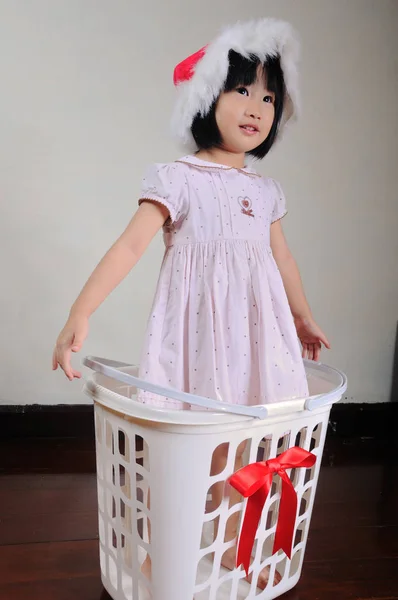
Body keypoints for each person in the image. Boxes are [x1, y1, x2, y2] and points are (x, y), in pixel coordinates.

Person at [53, 17, 330, 590]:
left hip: (257, 337)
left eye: (269, 97)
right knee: (185, 451)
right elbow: (129, 246)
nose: (257, 106)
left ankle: (232, 545)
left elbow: (284, 262)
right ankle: (165, 557)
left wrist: (301, 315)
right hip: (198, 340)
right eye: (242, 90)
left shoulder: (265, 191)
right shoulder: (177, 179)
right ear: (208, 98)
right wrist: (82, 311)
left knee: (250, 446)